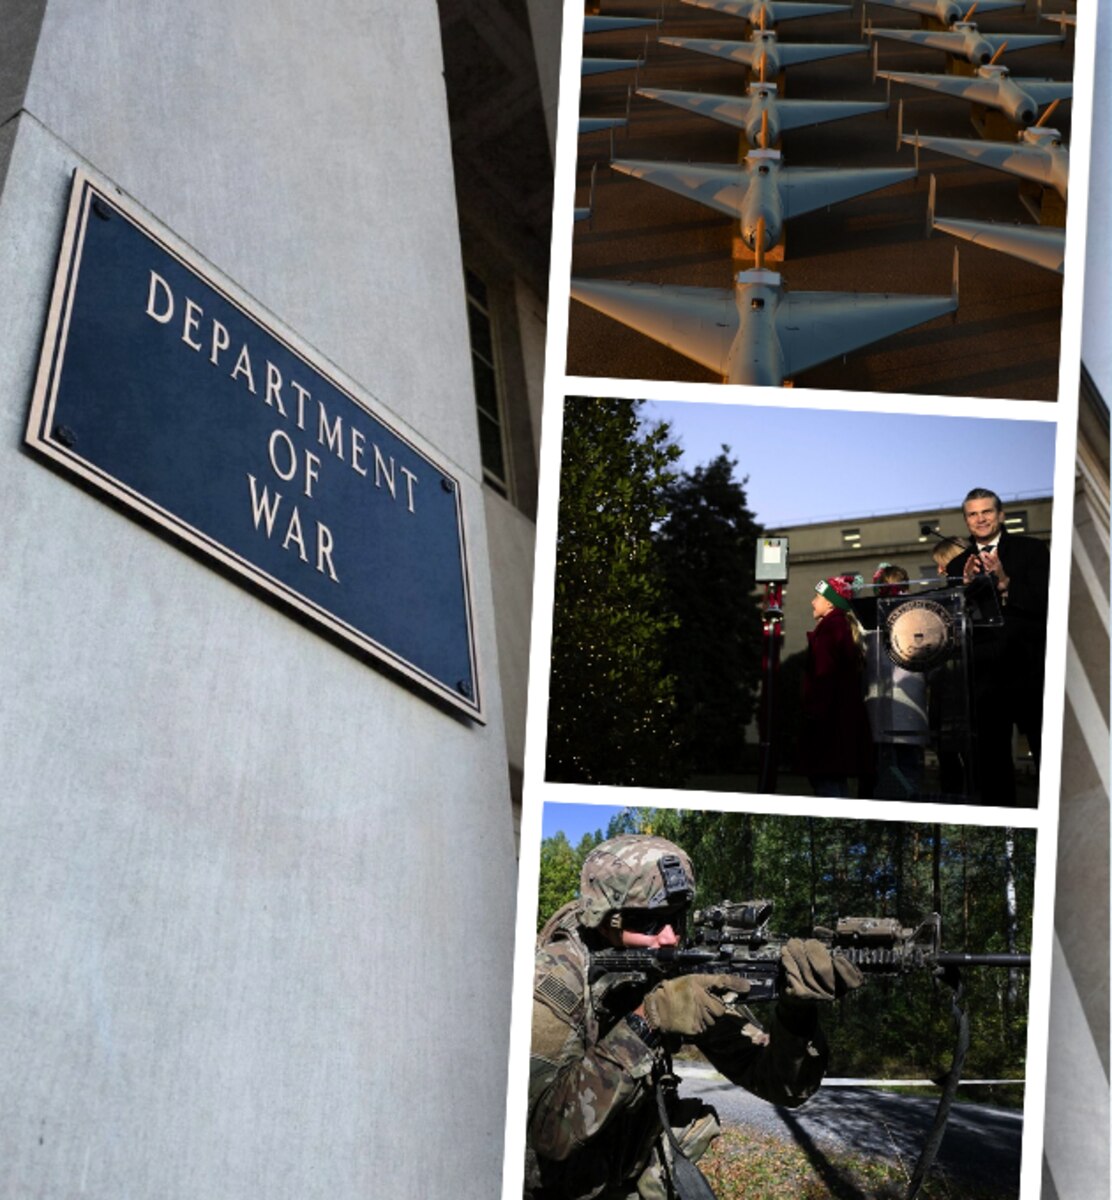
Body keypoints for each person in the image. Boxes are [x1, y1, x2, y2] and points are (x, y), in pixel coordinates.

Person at [526, 835, 862, 1200]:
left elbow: (776, 1082)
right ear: (605, 920)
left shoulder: (667, 967)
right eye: (648, 923)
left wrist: (796, 1016)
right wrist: (645, 1022)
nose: (670, 936)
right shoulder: (553, 979)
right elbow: (546, 1133)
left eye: (675, 918)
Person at [945, 488, 1050, 804]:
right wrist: (963, 591)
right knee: (992, 765)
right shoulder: (956, 566)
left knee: (1046, 750)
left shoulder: (1031, 550)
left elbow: (1048, 602)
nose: (980, 519)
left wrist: (1005, 582)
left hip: (1031, 670)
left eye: (987, 512)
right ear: (966, 520)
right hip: (984, 679)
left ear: (1001, 515)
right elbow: (953, 624)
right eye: (973, 514)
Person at [800, 574, 873, 798]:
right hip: (839, 719)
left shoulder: (830, 629)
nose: (813, 602)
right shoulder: (841, 626)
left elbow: (823, 676)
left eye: (817, 597)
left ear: (830, 602)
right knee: (834, 779)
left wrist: (814, 712)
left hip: (828, 722)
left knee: (827, 781)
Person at [863, 564, 928, 798]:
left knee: (888, 771)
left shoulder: (870, 616)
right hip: (907, 705)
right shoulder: (921, 613)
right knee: (907, 771)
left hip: (889, 704)